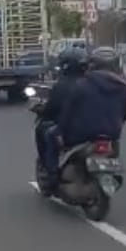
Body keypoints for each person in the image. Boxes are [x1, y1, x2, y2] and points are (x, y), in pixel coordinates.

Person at [49, 48, 126, 180]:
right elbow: (124, 112)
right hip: (112, 134)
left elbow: (67, 112)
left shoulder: (81, 84)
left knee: (51, 135)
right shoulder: (122, 87)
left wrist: (60, 132)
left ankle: (53, 174)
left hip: (83, 135)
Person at [35, 48, 88, 184]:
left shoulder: (63, 85)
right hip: (97, 130)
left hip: (73, 129)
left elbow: (52, 108)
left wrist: (42, 111)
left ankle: (51, 172)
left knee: (45, 131)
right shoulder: (92, 82)